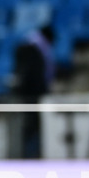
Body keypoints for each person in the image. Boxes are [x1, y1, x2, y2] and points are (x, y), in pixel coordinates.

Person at [11, 24, 55, 158]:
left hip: (27, 96)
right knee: (33, 128)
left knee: (29, 128)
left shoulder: (27, 45)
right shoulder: (37, 49)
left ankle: (29, 154)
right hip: (34, 96)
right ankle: (32, 155)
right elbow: (42, 75)